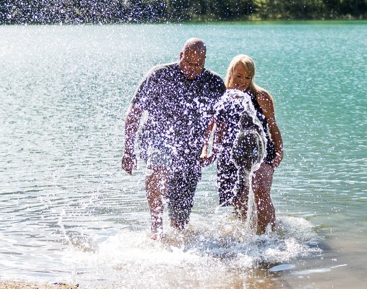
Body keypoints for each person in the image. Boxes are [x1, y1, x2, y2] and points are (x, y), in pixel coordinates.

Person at [121, 38, 225, 238]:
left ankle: (176, 236)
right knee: (159, 165)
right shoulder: (159, 75)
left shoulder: (213, 83)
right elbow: (134, 113)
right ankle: (156, 227)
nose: (192, 69)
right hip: (157, 137)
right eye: (188, 63)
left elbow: (220, 121)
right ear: (180, 56)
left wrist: (213, 148)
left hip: (190, 149)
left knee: (180, 224)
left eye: (198, 65)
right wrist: (128, 150)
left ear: (204, 62)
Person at [204, 55, 283, 233]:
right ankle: (248, 237)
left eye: (248, 78)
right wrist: (209, 151)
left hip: (260, 152)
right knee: (239, 201)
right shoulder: (222, 97)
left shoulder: (260, 97)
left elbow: (272, 125)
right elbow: (215, 128)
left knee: (261, 191)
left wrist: (279, 152)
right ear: (230, 72)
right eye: (239, 76)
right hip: (231, 156)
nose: (243, 82)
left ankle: (269, 236)